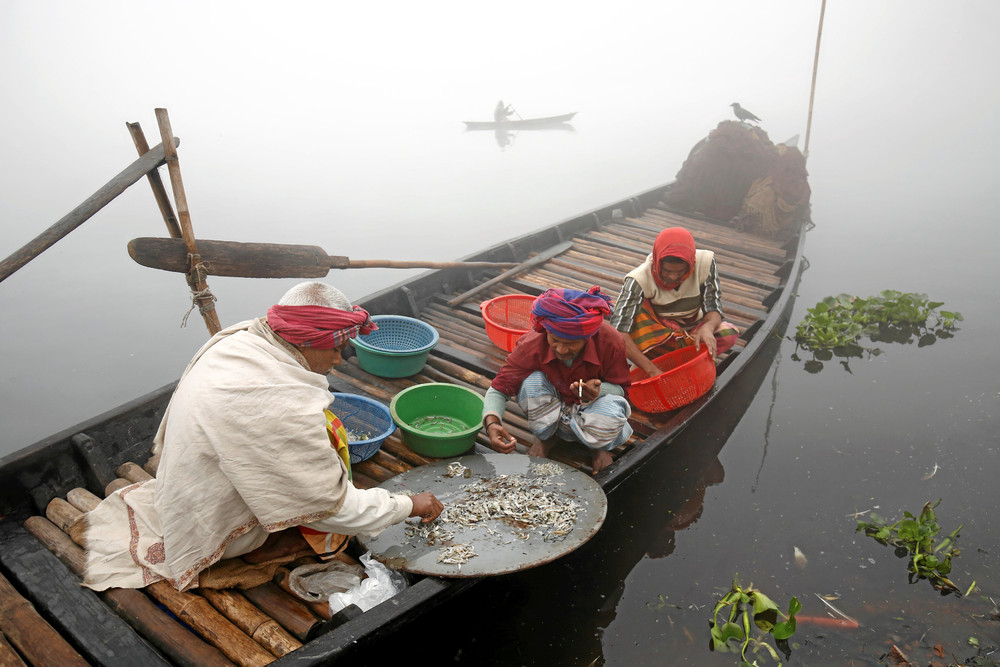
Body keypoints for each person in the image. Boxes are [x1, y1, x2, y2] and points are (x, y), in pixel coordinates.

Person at [83, 281, 443, 592]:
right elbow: (332, 510)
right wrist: (409, 505)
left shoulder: (241, 338)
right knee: (325, 514)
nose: (340, 357)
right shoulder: (282, 407)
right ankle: (252, 542)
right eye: (334, 346)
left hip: (188, 487)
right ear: (303, 340)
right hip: (216, 523)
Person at [482, 286, 632, 475]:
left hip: (589, 410)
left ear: (587, 337)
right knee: (530, 382)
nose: (561, 350)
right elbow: (499, 389)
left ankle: (598, 447)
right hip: (551, 406)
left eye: (570, 344)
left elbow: (622, 391)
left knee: (613, 406)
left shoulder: (611, 342)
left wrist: (598, 392)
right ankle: (545, 438)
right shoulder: (532, 343)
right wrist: (492, 423)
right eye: (555, 341)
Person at [609, 227, 739, 378]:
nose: (673, 277)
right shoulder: (637, 280)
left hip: (693, 332)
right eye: (667, 271)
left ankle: (682, 357)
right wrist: (652, 371)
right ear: (658, 262)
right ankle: (651, 361)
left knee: (728, 334)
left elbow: (713, 305)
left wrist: (708, 327)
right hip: (659, 338)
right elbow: (618, 332)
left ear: (692, 263)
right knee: (635, 314)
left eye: (680, 272)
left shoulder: (706, 262)